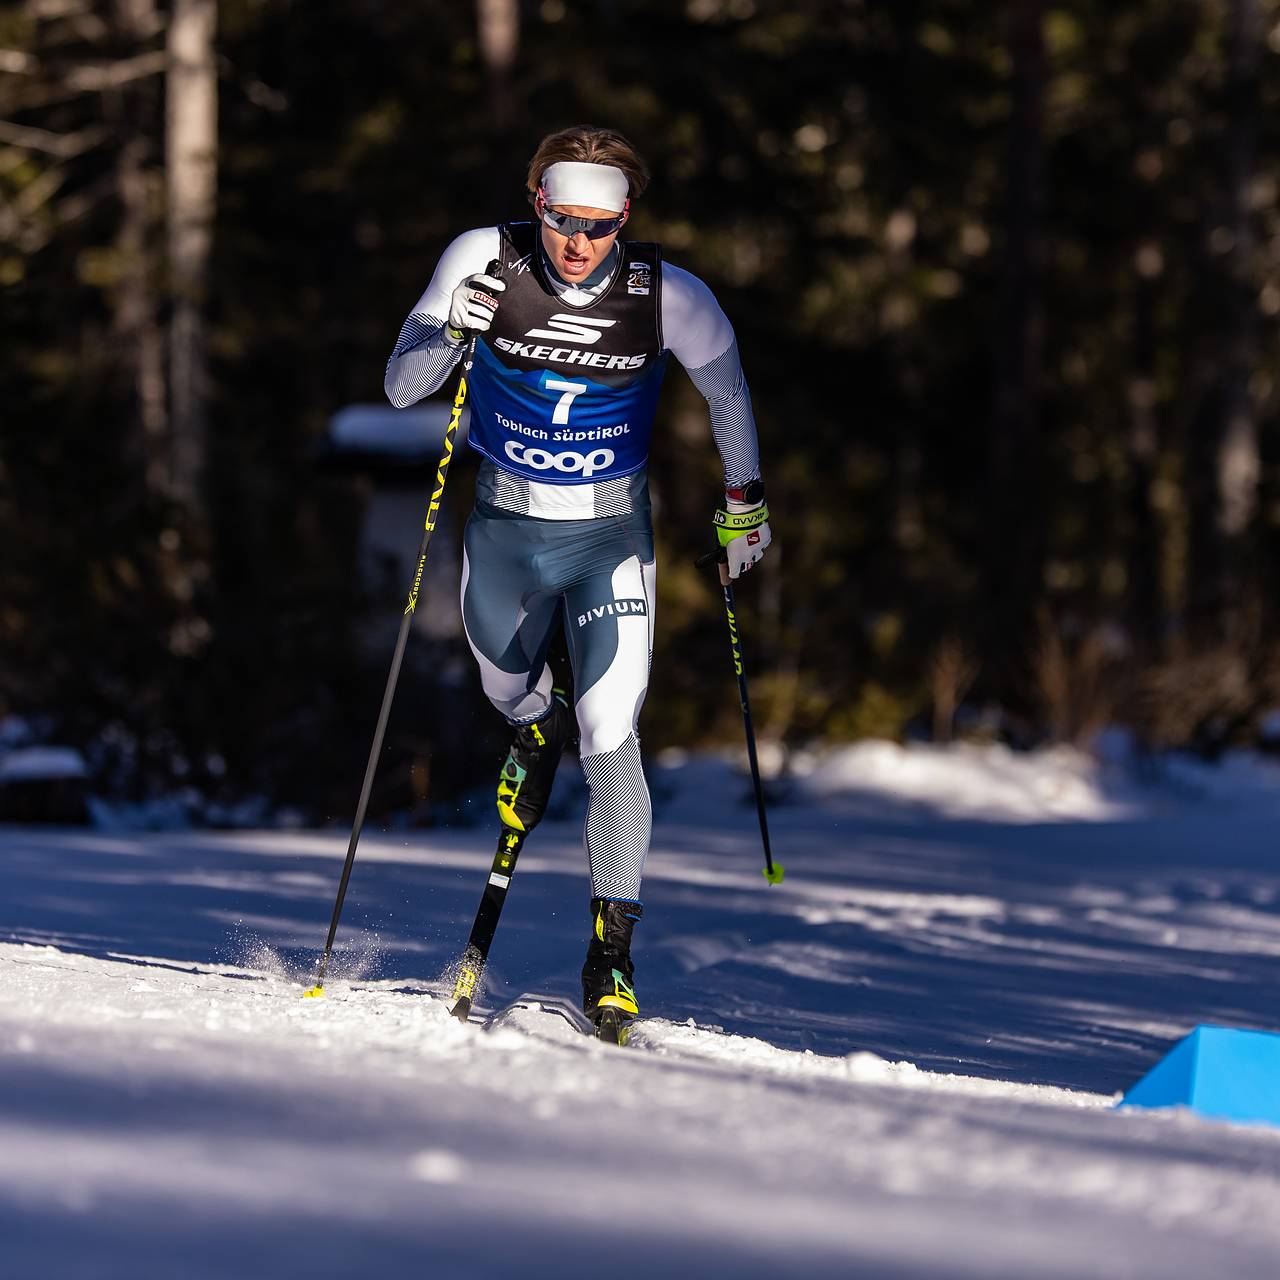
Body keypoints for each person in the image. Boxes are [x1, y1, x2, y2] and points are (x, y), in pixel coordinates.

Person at [384, 125, 770, 1038]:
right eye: (564, 221)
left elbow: (728, 396)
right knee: (510, 689)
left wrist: (744, 506)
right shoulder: (486, 258)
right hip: (506, 533)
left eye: (601, 226)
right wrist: (450, 330)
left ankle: (612, 954)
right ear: (537, 206)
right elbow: (404, 387)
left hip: (608, 538)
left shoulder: (669, 295)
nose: (580, 244)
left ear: (625, 218)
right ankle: (529, 722)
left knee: (611, 736)